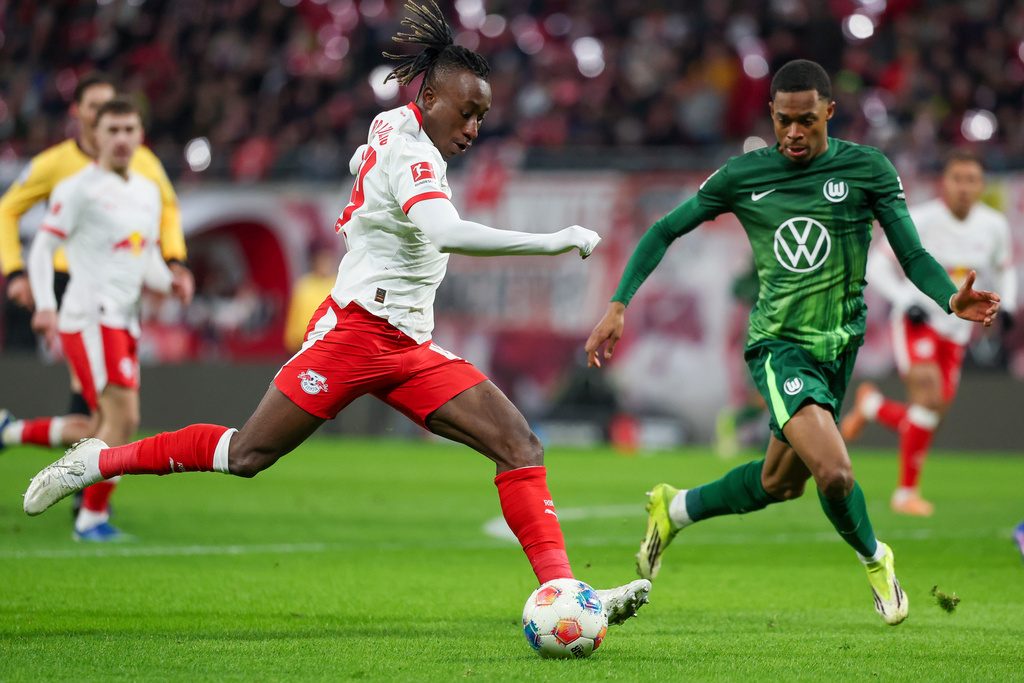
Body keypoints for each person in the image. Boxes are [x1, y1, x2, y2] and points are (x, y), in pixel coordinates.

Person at [22, 1, 650, 625]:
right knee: (247, 455)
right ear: (431, 98)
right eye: (466, 112)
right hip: (354, 335)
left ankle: (566, 595)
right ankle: (96, 461)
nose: (473, 128)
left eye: (482, 116)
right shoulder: (414, 154)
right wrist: (554, 241)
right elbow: (444, 230)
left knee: (519, 444)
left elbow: (366, 152)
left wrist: (363, 177)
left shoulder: (393, 124)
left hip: (408, 345)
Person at [585, 59, 1000, 626]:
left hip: (839, 349)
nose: (794, 132)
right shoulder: (744, 175)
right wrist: (618, 304)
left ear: (830, 111)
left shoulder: (867, 169)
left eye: (807, 120)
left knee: (779, 483)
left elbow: (912, 254)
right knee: (835, 473)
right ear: (772, 115)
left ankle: (673, 508)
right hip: (778, 346)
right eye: (784, 120)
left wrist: (949, 298)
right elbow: (664, 229)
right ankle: (876, 558)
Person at [0, 74, 195, 535]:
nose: (122, 139)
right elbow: (44, 248)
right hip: (87, 316)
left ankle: (10, 433)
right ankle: (90, 515)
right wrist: (45, 304)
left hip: (124, 320)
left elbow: (142, 256)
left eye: (129, 129)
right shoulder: (77, 187)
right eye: (113, 130)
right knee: (122, 418)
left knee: (100, 422)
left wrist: (171, 280)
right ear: (94, 132)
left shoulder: (146, 188)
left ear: (141, 134)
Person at [839, 151, 1017, 516]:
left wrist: (1009, 305)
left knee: (930, 414)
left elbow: (1005, 269)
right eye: (957, 178)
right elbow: (877, 263)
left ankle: (872, 406)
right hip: (917, 322)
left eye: (972, 180)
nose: (964, 187)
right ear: (943, 183)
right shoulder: (919, 220)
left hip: (957, 331)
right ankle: (905, 494)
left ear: (982, 186)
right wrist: (906, 298)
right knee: (928, 395)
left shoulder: (994, 226)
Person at [283, 240, 337, 353]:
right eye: (322, 259)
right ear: (314, 261)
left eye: (328, 259)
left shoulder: (338, 285)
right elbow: (294, 318)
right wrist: (292, 341)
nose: (325, 264)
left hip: (331, 346)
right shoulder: (304, 285)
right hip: (304, 346)